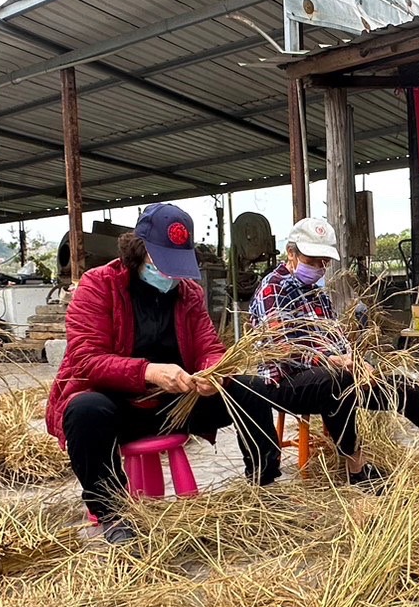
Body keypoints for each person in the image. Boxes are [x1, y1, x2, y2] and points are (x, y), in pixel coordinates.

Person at [46, 204, 279, 545]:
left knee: (252, 389)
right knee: (85, 412)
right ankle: (112, 513)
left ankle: (264, 485)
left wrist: (213, 374)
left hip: (174, 403)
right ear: (139, 251)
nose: (170, 276)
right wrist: (149, 371)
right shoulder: (99, 286)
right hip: (119, 405)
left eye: (176, 266)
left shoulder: (188, 293)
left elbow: (208, 346)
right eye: (161, 264)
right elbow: (86, 359)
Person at [249, 217, 419, 488]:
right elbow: (282, 349)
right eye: (312, 261)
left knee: (398, 385)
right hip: (286, 383)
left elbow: (336, 339)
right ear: (291, 253)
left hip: (330, 376)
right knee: (337, 379)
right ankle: (356, 467)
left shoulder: (317, 294)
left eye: (324, 262)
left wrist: (355, 362)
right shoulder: (273, 289)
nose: (318, 268)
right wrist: (332, 361)